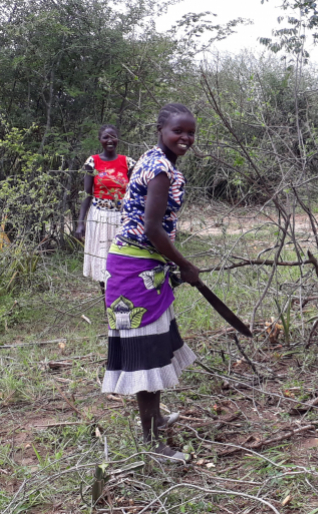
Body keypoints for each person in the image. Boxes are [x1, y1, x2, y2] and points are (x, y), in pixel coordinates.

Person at [102, 103, 200, 461]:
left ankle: (156, 419)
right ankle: (151, 445)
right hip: (134, 270)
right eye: (178, 131)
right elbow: (152, 229)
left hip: (145, 266)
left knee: (156, 345)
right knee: (146, 355)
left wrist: (168, 263)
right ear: (161, 130)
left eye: (190, 132)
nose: (185, 138)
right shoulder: (159, 169)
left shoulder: (156, 160)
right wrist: (185, 265)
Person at [74, 125, 135, 290]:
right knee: (103, 262)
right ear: (100, 140)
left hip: (121, 218)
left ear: (118, 139)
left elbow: (134, 193)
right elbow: (87, 194)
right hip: (100, 217)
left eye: (113, 137)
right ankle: (107, 305)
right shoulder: (92, 162)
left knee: (122, 261)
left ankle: (122, 302)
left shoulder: (128, 163)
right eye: (105, 137)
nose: (110, 141)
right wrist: (81, 223)